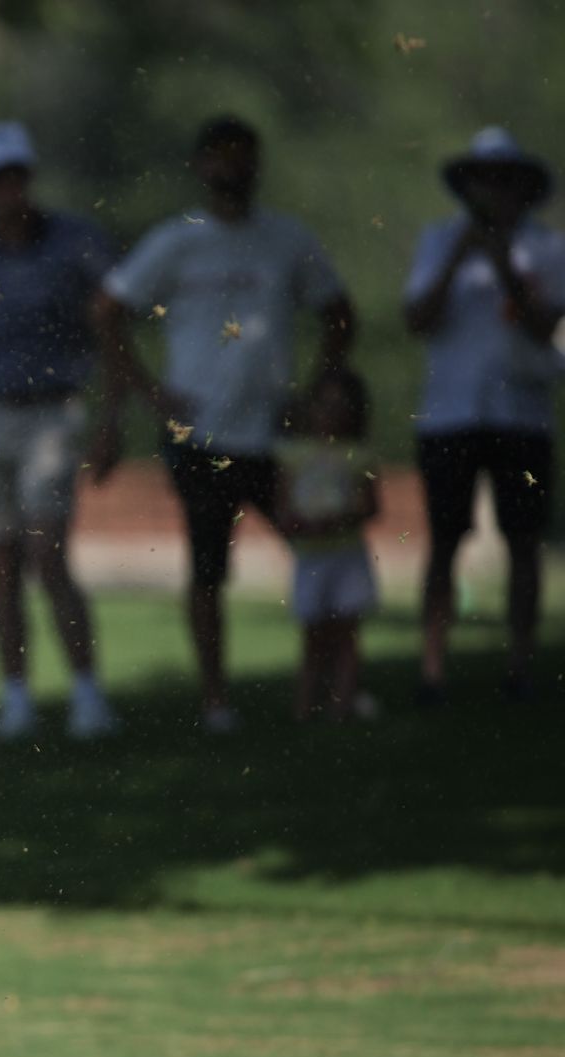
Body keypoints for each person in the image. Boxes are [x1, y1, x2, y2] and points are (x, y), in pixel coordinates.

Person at [98, 115, 356, 734]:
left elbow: (339, 313)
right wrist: (150, 392)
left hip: (281, 436)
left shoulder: (287, 240)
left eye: (241, 154)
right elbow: (108, 311)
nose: (229, 167)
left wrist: (316, 390)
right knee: (209, 570)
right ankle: (217, 701)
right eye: (217, 155)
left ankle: (334, 689)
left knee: (326, 556)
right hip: (202, 434)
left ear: (257, 164)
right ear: (199, 166)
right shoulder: (177, 241)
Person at [0, 122, 119, 742]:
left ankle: (85, 691)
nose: (6, 190)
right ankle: (16, 695)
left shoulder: (74, 242)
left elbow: (109, 326)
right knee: (1, 560)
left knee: (48, 552)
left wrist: (111, 416)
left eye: (14, 177)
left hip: (51, 411)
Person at [403, 127, 565, 703]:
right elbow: (417, 318)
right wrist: (458, 256)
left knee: (524, 540)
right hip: (450, 414)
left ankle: (519, 667)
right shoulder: (437, 241)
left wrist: (502, 267)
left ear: (522, 189)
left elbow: (549, 328)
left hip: (522, 414)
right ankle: (432, 670)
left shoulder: (548, 250)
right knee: (445, 539)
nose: (491, 192)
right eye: (482, 181)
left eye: (502, 181)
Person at [274, 369, 380, 721]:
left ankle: (340, 705)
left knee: (346, 632)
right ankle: (306, 706)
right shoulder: (294, 454)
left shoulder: (359, 455)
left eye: (340, 405)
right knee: (313, 635)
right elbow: (283, 507)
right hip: (311, 556)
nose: (331, 413)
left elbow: (371, 505)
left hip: (346, 554)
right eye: (325, 404)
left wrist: (337, 521)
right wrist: (301, 525)